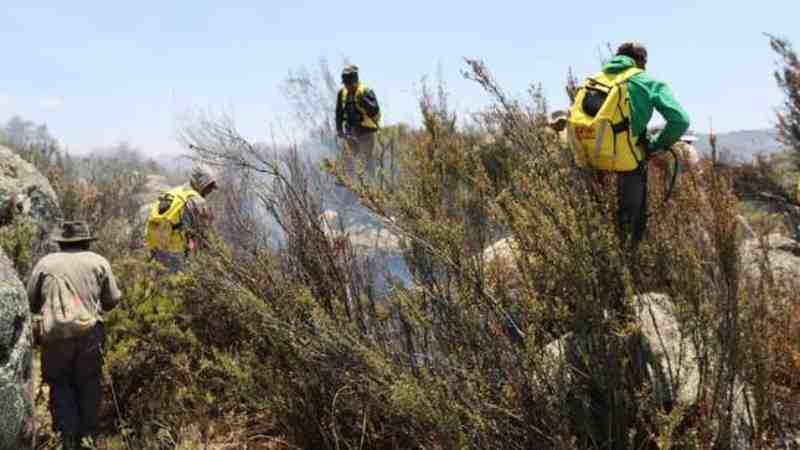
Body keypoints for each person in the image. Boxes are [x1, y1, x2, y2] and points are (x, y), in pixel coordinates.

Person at [568, 42, 690, 246]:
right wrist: (655, 146)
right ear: (641, 62)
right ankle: (627, 269)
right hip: (627, 165)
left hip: (590, 160)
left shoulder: (593, 81)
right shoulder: (645, 80)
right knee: (629, 231)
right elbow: (680, 120)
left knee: (595, 226)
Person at [27, 221, 122, 450]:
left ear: (61, 242)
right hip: (90, 334)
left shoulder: (44, 263)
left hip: (55, 337)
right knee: (89, 385)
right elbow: (111, 300)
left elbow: (31, 301)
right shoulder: (98, 262)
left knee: (60, 384)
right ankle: (88, 439)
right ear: (87, 241)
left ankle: (66, 438)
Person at [144, 165, 217, 272]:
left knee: (158, 284)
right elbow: (205, 236)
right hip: (175, 253)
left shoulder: (174, 192)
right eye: (209, 187)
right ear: (202, 183)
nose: (209, 192)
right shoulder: (197, 201)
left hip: (155, 248)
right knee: (175, 285)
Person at [335, 65, 381, 176]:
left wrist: (363, 101)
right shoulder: (342, 93)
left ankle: (373, 183)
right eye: (346, 84)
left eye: (349, 83)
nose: (348, 86)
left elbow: (375, 110)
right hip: (350, 133)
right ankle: (347, 184)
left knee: (368, 159)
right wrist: (339, 129)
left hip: (366, 132)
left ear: (355, 80)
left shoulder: (365, 91)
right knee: (348, 161)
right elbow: (339, 112)